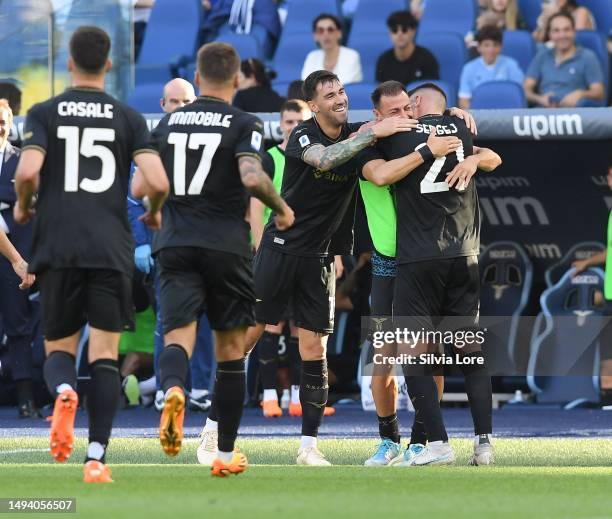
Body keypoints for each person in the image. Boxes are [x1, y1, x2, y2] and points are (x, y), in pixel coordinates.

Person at [14, 26, 169, 483]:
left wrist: (24, 204)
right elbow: (157, 183)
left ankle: (63, 390)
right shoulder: (127, 117)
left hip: (59, 247)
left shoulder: (44, 113)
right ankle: (96, 458)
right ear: (108, 64)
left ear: (67, 62)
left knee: (58, 348)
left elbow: (27, 170)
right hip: (110, 248)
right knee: (104, 355)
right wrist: (154, 213)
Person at [132, 41, 294, 477]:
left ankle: (171, 392)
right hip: (226, 244)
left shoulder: (167, 123)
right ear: (238, 79)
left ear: (198, 78)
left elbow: (138, 188)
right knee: (228, 353)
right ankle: (222, 455)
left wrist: (156, 203)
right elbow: (249, 174)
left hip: (176, 242)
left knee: (178, 336)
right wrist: (279, 207)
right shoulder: (244, 122)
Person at [242, 70, 414, 466]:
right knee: (249, 336)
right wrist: (371, 133)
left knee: (313, 349)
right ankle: (215, 429)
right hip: (280, 249)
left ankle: (309, 447)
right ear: (314, 105)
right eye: (330, 95)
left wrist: (453, 116)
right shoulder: (303, 135)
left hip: (320, 256)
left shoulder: (359, 130)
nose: (339, 99)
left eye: (342, 91)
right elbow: (327, 157)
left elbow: (410, 123)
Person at [354, 81, 501, 466]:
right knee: (384, 358)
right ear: (376, 117)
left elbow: (490, 156)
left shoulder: (414, 135)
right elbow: (378, 172)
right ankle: (392, 440)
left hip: (415, 258)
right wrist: (454, 145)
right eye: (394, 113)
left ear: (416, 104)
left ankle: (428, 442)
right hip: (401, 260)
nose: (403, 117)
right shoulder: (373, 140)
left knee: (422, 352)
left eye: (407, 108)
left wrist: (471, 156)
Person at [127, 78, 213, 413]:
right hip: (165, 245)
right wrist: (142, 244)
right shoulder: (150, 142)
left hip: (204, 243)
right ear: (162, 105)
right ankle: (168, 385)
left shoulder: (208, 141)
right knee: (168, 317)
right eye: (174, 102)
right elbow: (134, 199)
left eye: (187, 102)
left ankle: (202, 386)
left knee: (204, 317)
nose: (180, 108)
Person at [0, 99, 41, 418]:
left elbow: (32, 211)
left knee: (19, 326)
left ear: (11, 122)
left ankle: (26, 398)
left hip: (16, 258)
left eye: (3, 121)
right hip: (12, 253)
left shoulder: (23, 162)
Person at [524, 12, 605, 107]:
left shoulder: (587, 56)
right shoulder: (542, 55)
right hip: (543, 114)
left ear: (574, 32)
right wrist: (539, 99)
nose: (562, 35)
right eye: (556, 31)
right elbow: (526, 88)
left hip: (574, 115)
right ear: (549, 34)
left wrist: (580, 94)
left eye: (566, 30)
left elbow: (599, 92)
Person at [459, 26, 524, 109]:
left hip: (507, 115)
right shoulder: (468, 69)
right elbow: (464, 102)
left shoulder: (511, 65)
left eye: (495, 45)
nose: (491, 50)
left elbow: (519, 96)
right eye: (486, 45)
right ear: (479, 47)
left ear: (501, 47)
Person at [375, 11, 439, 85]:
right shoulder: (383, 61)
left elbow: (432, 92)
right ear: (389, 33)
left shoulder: (427, 59)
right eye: (394, 30)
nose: (399, 34)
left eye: (404, 29)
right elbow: (380, 93)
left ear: (413, 31)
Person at [301, 14, 363, 85]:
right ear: (315, 36)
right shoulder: (312, 56)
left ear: (339, 33)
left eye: (330, 30)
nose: (326, 34)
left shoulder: (351, 56)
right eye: (321, 31)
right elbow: (306, 87)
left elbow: (343, 88)